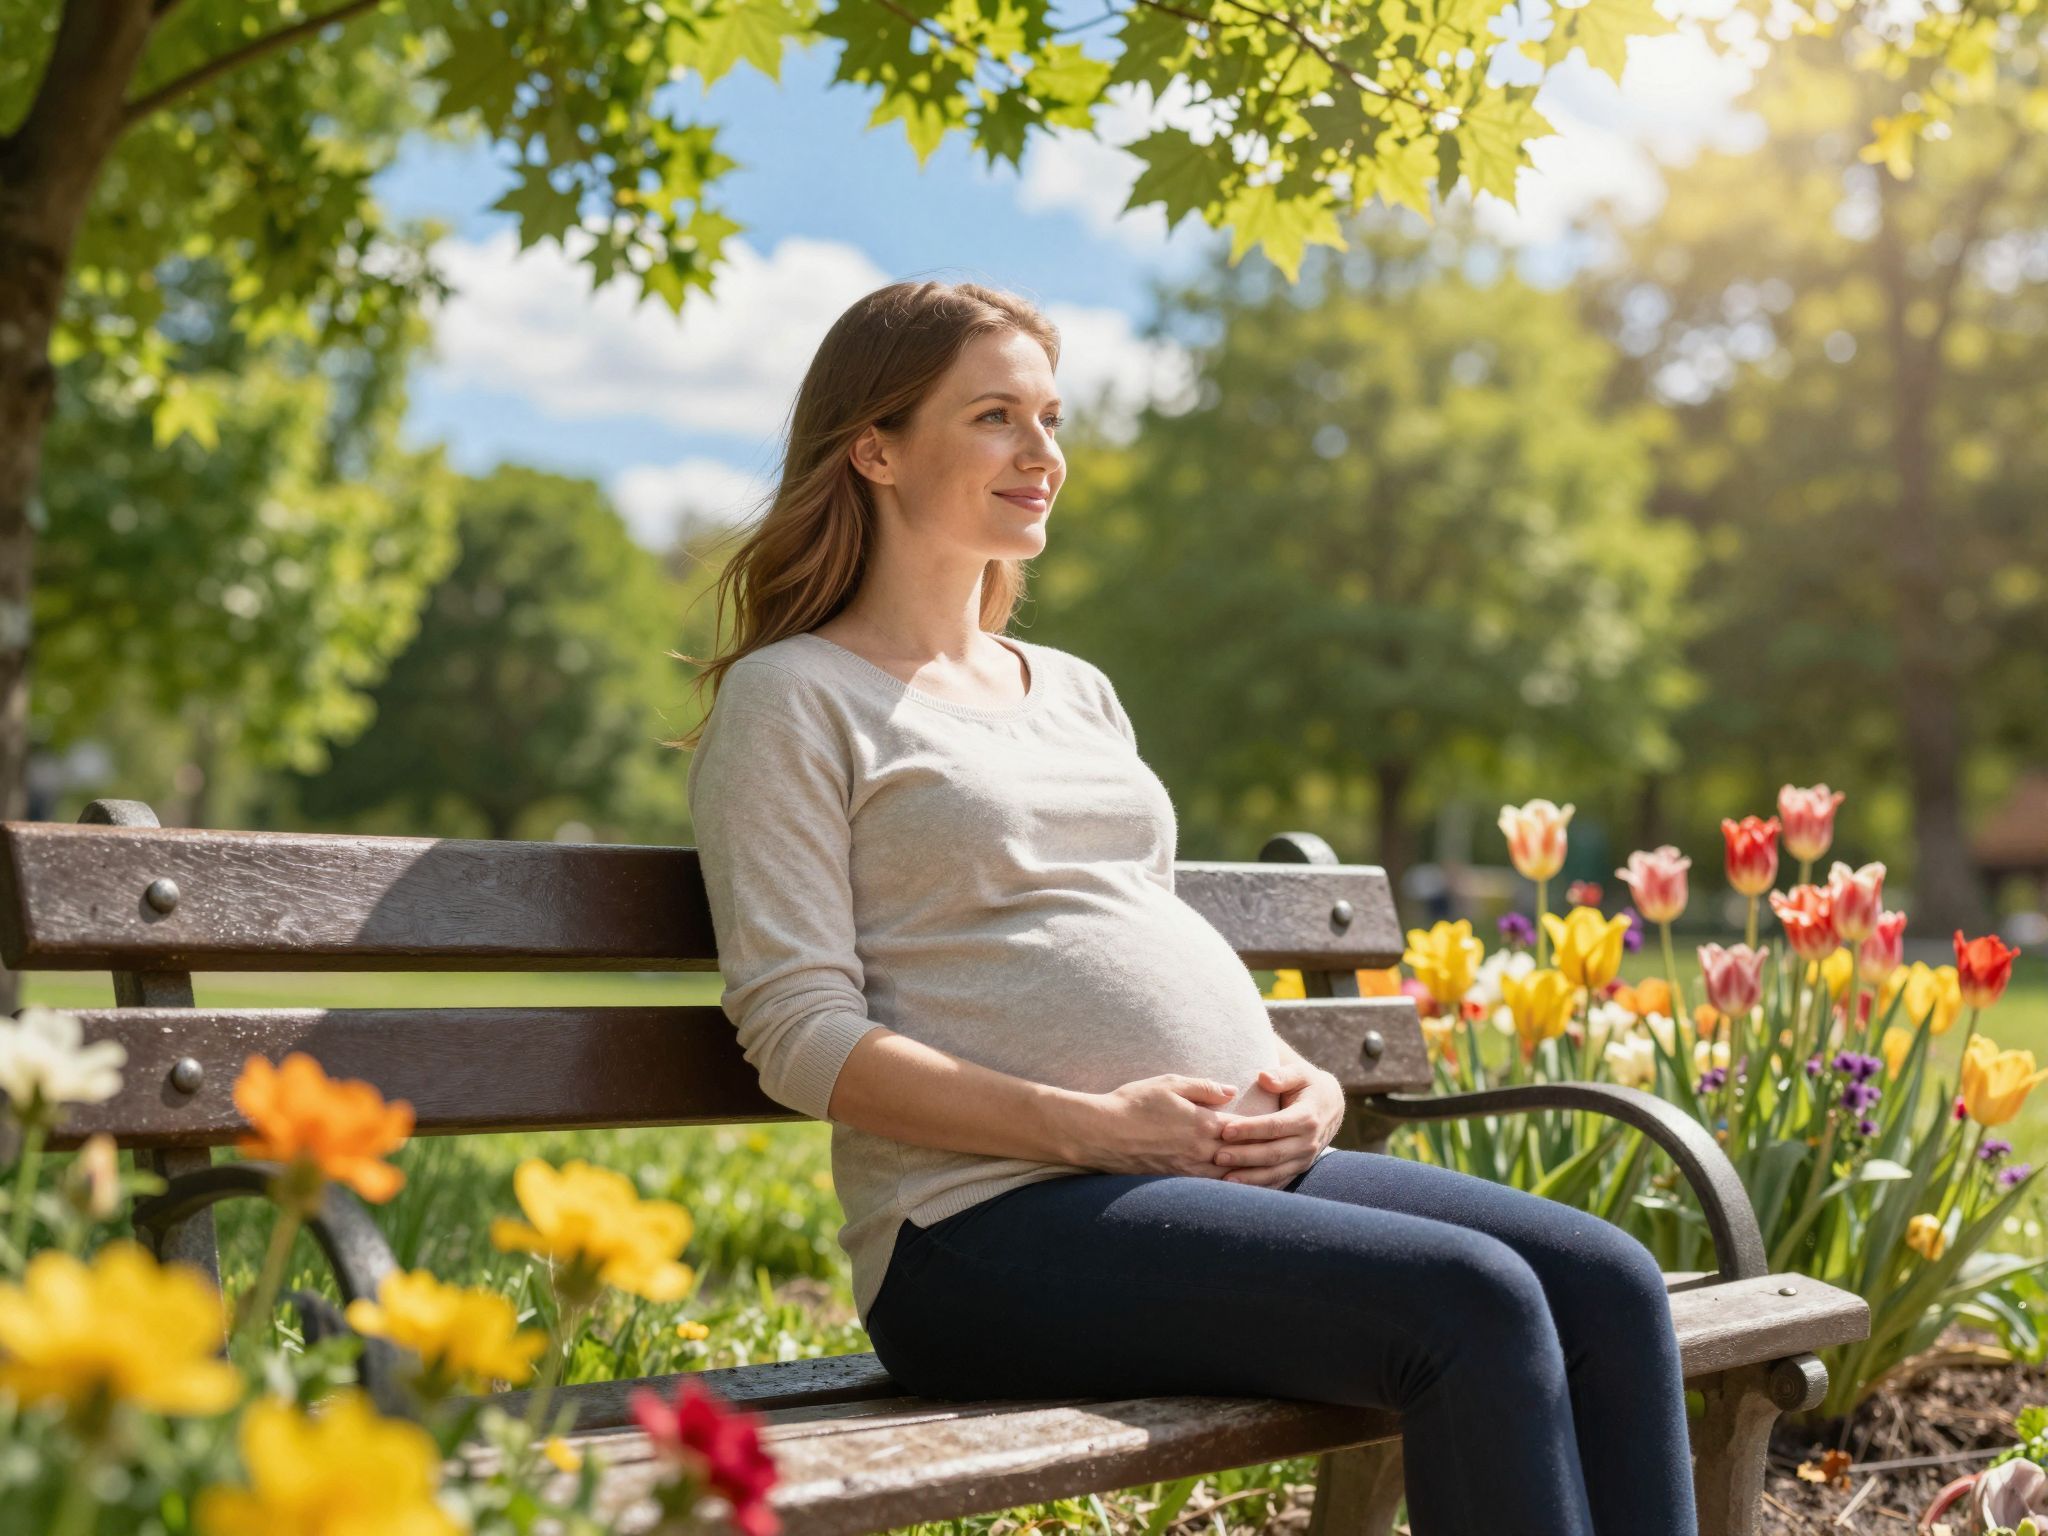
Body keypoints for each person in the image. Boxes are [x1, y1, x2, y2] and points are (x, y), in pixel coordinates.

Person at [673, 279, 1700, 1536]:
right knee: (1469, 1301)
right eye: (994, 417)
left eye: (1049, 419)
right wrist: (1094, 1130)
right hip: (976, 1229)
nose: (1041, 453)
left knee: (1607, 1282)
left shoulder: (1074, 691)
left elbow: (1136, 927)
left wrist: (1296, 1079)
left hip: (1216, 1178)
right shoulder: (793, 698)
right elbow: (798, 1036)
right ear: (873, 448)